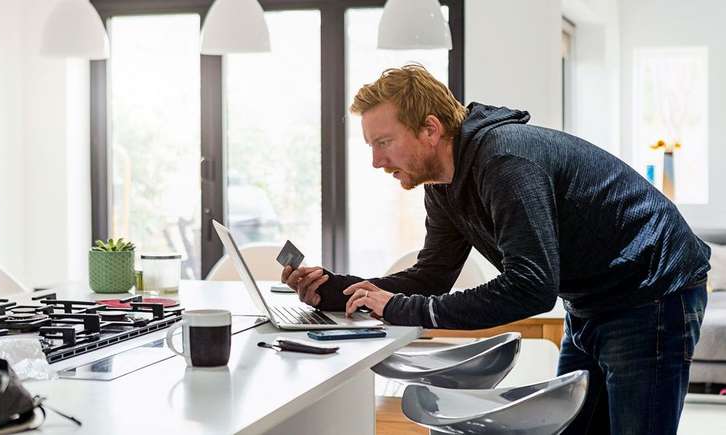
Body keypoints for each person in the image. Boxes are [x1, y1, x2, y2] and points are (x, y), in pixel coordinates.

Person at [280, 64, 709, 434]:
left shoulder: (505, 163)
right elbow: (432, 276)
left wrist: (405, 308)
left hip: (653, 293)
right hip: (593, 302)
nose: (376, 161)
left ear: (430, 129)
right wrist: (338, 291)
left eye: (383, 142)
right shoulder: (443, 185)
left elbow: (531, 289)